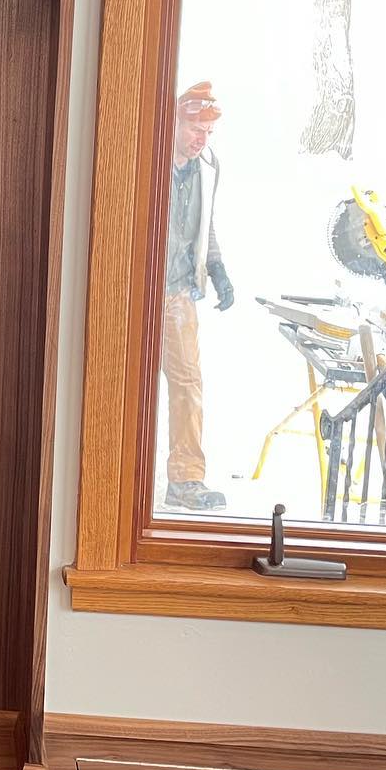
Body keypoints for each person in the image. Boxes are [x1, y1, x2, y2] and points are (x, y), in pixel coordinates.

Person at [161, 81, 234, 510]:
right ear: (175, 122)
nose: (200, 139)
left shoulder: (208, 166)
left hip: (179, 293)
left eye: (207, 132)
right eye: (194, 129)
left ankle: (185, 479)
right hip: (140, 288)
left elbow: (205, 226)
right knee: (128, 382)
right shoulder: (149, 160)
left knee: (188, 383)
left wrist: (218, 270)